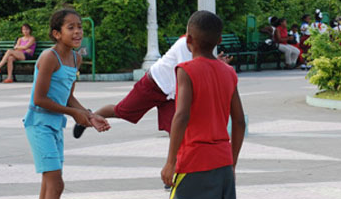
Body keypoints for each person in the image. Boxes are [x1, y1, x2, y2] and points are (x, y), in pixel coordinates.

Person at [161, 10, 245, 199]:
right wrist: (232, 159)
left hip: (194, 161)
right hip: (222, 162)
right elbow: (239, 120)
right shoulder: (228, 72)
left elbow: (180, 115)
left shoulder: (187, 69)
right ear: (219, 40)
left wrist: (171, 161)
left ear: (189, 40)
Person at [23, 8, 110, 199]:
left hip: (55, 125)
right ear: (56, 33)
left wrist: (87, 114)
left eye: (79, 26)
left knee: (49, 185)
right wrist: (74, 112)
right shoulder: (49, 58)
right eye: (70, 27)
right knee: (56, 184)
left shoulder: (75, 59)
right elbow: (39, 98)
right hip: (39, 124)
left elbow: (67, 96)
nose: (77, 31)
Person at [72, 35, 227, 139]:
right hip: (153, 85)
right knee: (120, 111)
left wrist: (216, 63)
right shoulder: (183, 45)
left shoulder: (200, 47)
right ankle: (88, 118)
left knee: (178, 130)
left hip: (170, 95)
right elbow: (191, 71)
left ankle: (174, 170)